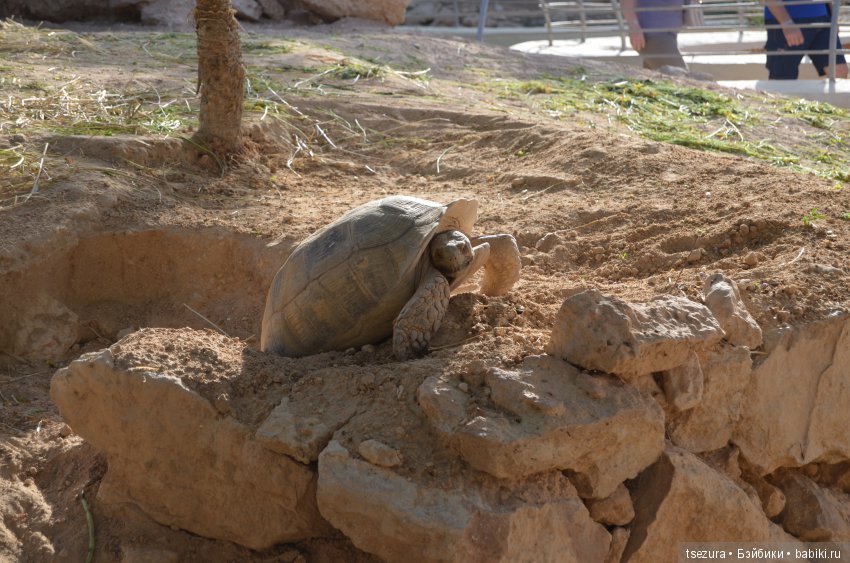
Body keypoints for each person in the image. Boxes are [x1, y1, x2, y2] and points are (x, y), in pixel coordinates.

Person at [762, 0, 849, 79]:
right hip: (788, 20)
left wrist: (833, 18)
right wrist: (786, 22)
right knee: (782, 78)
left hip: (823, 19)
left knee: (839, 72)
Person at [621, 0, 688, 70]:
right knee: (681, 76)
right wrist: (633, 25)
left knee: (656, 78)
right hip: (653, 35)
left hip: (668, 36)